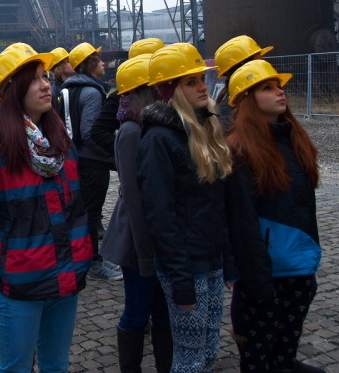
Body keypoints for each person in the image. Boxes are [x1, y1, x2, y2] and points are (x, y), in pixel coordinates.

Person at [0, 43, 94, 373]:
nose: (46, 85)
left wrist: (81, 256)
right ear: (12, 90)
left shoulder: (61, 145)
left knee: (56, 366)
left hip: (65, 279)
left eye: (45, 77)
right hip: (18, 287)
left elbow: (77, 209)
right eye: (35, 79)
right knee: (15, 368)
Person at [137, 42, 236, 373]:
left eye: (202, 79)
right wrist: (181, 278)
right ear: (172, 89)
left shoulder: (203, 128)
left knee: (208, 351)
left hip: (209, 260)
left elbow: (216, 205)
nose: (202, 87)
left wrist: (226, 261)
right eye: (191, 82)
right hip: (186, 266)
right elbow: (160, 216)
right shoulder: (159, 139)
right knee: (190, 358)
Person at [225, 60, 324, 373]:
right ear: (248, 100)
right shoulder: (240, 150)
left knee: (286, 349)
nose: (280, 92)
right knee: (258, 357)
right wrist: (257, 280)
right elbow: (241, 220)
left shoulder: (294, 138)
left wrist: (308, 262)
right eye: (267, 88)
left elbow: (302, 208)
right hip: (266, 273)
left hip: (299, 266)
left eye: (279, 86)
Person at [100, 55, 172, 372]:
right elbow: (133, 194)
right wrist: (145, 253)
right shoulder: (131, 130)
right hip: (136, 239)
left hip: (155, 236)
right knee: (137, 311)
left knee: (163, 311)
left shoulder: (151, 125)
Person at [59, 42, 121, 281]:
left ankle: (80, 258)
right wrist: (110, 154)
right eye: (98, 59)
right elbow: (90, 132)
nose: (103, 63)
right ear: (88, 64)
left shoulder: (67, 89)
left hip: (74, 159)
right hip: (92, 163)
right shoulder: (93, 92)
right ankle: (94, 264)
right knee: (92, 215)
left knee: (82, 212)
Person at [213, 35, 272, 122]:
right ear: (243, 68)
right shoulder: (226, 115)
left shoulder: (263, 103)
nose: (263, 66)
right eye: (258, 63)